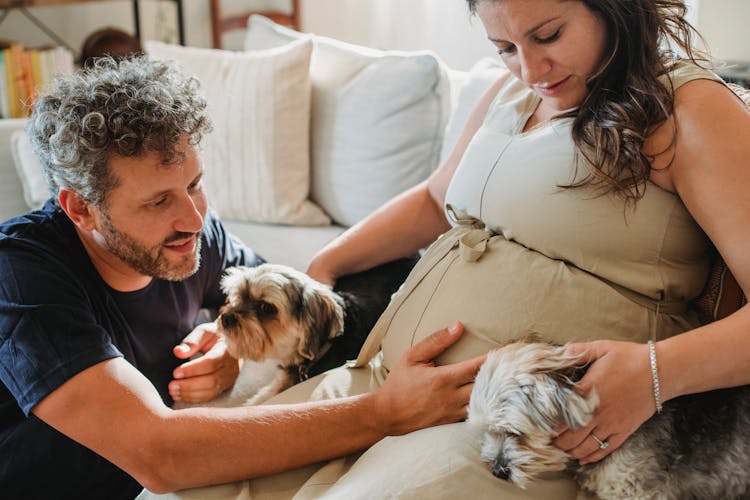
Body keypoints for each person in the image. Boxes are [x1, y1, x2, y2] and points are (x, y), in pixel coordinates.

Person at [186, 0, 746, 498]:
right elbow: (435, 201)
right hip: (389, 382)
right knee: (196, 480)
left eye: (548, 35)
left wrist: (653, 373)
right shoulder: (511, 94)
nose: (529, 68)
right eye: (504, 46)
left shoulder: (688, 107)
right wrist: (325, 265)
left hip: (517, 432)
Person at [0, 56, 484, 499]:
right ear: (81, 208)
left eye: (194, 184)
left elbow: (268, 301)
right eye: (158, 202)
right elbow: (160, 453)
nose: (193, 219)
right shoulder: (21, 278)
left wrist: (226, 345)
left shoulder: (190, 237)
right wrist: (387, 411)